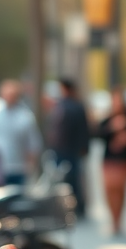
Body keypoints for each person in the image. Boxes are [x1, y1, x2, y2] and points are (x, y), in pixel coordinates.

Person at [0, 79, 43, 186]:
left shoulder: (25, 117)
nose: (10, 98)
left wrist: (30, 169)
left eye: (13, 95)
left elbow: (33, 146)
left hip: (18, 169)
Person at [95, 87, 126, 234]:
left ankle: (118, 220)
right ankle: (112, 218)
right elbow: (98, 134)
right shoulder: (107, 119)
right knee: (108, 190)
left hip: (124, 160)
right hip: (109, 160)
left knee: (120, 190)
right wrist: (112, 127)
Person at [49, 78, 91, 218]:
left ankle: (74, 206)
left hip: (67, 149)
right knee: (72, 180)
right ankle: (74, 207)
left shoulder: (67, 106)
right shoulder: (72, 106)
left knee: (70, 180)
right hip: (68, 150)